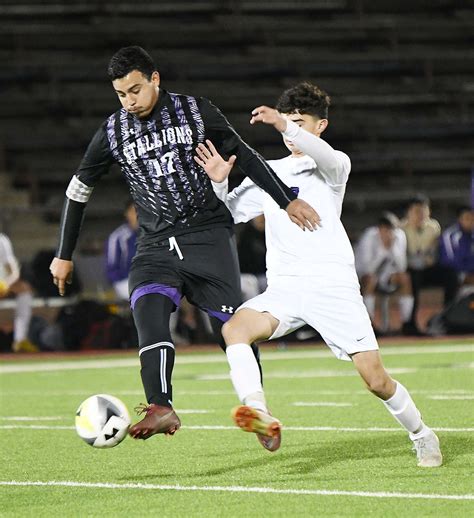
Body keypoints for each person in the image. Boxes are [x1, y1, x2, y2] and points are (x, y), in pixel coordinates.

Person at [49, 46, 319, 440]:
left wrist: (286, 199)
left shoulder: (196, 111)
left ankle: (258, 409)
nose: (129, 101)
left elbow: (243, 155)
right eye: (121, 94)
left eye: (136, 90)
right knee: (147, 306)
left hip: (207, 236)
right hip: (156, 243)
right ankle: (161, 406)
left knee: (231, 329)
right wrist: (63, 254)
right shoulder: (113, 130)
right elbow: (78, 190)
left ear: (155, 79)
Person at [195, 82, 442, 467]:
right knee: (234, 330)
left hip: (333, 289)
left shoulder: (334, 166)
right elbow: (225, 215)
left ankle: (421, 433)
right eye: (288, 120)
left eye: (300, 122)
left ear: (320, 125)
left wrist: (281, 125)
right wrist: (219, 182)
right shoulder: (269, 172)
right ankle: (260, 413)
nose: (292, 130)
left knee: (376, 380)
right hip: (286, 290)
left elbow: (323, 156)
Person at [355, 215, 420, 335]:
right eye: (386, 230)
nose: (389, 233)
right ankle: (369, 325)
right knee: (370, 280)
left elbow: (402, 266)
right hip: (363, 275)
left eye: (392, 230)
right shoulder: (369, 236)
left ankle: (406, 323)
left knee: (405, 278)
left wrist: (393, 247)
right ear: (379, 229)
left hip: (387, 274)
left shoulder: (399, 236)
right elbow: (367, 268)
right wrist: (383, 250)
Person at [401, 196, 458, 328]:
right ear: (409, 212)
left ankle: (448, 318)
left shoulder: (433, 227)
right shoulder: (401, 229)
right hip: (410, 270)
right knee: (412, 280)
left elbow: (434, 252)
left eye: (423, 211)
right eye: (416, 211)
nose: (420, 215)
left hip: (428, 268)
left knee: (450, 276)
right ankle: (410, 324)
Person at [0, 233, 36, 352]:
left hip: (3, 283)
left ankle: (20, 340)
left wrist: (6, 284)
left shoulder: (2, 240)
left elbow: (13, 271)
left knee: (24, 290)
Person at [105, 200, 138, 300]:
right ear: (126, 213)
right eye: (134, 211)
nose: (137, 215)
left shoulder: (155, 234)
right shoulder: (118, 237)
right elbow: (111, 267)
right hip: (126, 281)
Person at [439, 206, 474, 286]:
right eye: (468, 218)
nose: (472, 221)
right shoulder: (450, 235)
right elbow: (449, 261)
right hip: (455, 272)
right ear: (460, 219)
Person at [237, 215, 267, 301]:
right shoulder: (244, 232)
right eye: (260, 217)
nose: (261, 220)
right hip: (244, 274)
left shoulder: (271, 234)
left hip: (264, 275)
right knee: (250, 282)